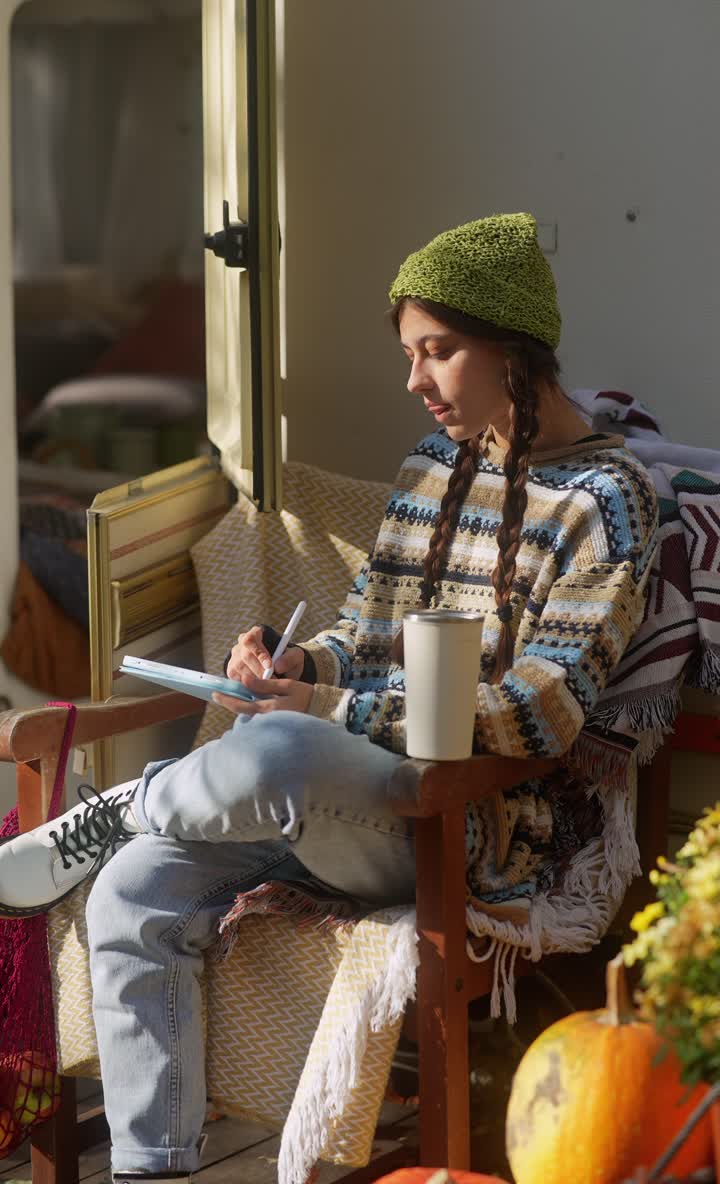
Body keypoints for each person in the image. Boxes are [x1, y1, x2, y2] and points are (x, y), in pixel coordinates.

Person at [0, 213, 658, 1182]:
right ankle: (154, 1166)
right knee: (135, 891)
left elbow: (541, 708)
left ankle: (128, 803)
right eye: (408, 353)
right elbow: (366, 628)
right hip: (335, 796)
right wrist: (300, 666)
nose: (415, 381)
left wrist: (327, 715)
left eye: (438, 351)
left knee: (275, 753)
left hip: (466, 824)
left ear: (511, 346)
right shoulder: (433, 469)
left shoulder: (611, 498)